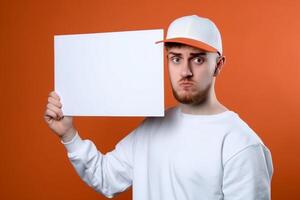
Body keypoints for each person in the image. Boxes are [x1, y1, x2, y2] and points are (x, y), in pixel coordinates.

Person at [44, 15, 273, 200]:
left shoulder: (242, 144)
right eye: (176, 58)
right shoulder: (154, 124)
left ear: (218, 65)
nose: (185, 71)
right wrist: (69, 134)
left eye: (198, 59)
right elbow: (107, 178)